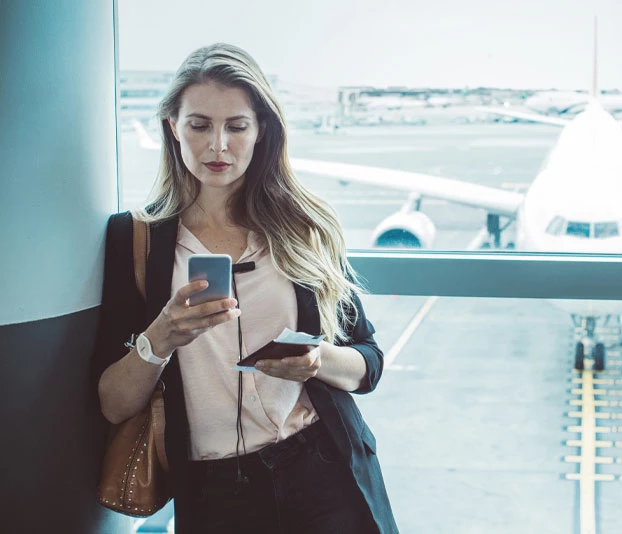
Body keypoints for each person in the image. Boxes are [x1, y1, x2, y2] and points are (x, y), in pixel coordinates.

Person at [91, 43, 398, 534]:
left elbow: (370, 363)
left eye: (236, 126)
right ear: (173, 126)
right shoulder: (136, 239)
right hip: (215, 490)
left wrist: (317, 361)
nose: (218, 146)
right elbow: (112, 403)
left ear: (261, 132)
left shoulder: (303, 226)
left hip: (324, 469)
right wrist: (163, 336)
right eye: (199, 125)